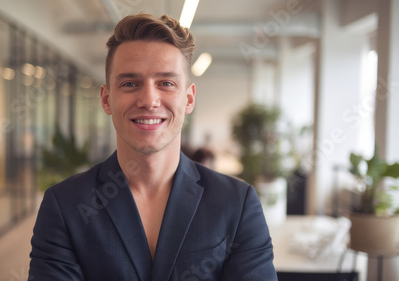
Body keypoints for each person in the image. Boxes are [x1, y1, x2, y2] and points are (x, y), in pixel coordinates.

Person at [29, 13, 277, 281]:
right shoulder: (65, 206)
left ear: (189, 99)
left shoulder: (237, 204)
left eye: (166, 83)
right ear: (106, 99)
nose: (149, 100)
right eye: (130, 84)